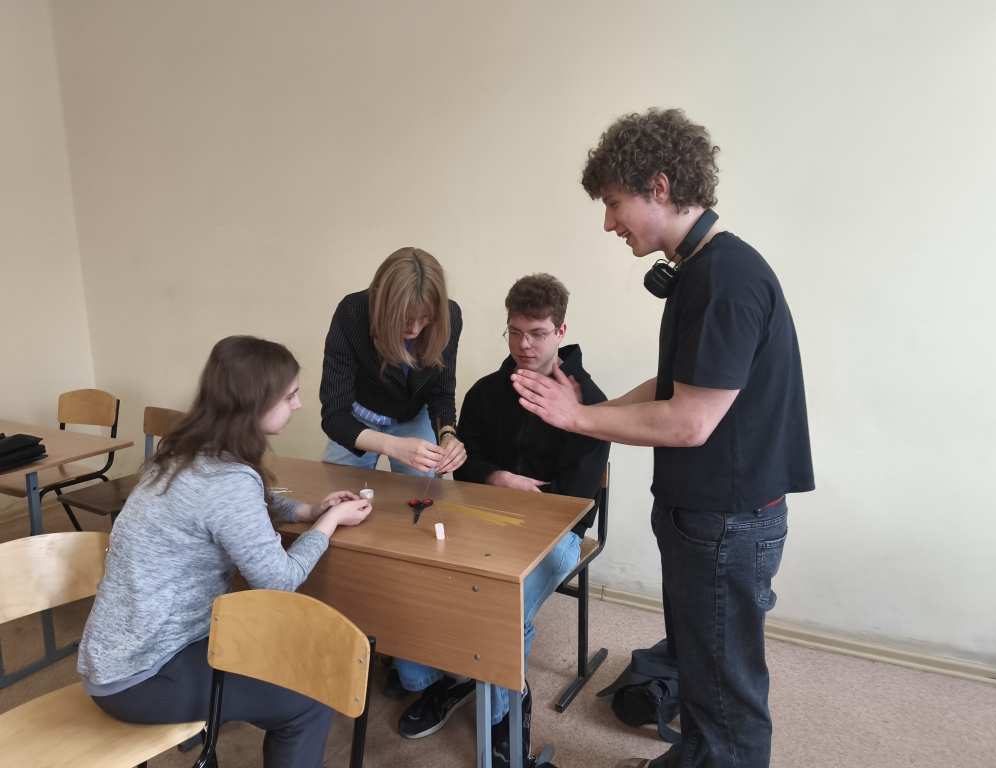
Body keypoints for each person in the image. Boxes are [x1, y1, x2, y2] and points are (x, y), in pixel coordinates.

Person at [511, 109, 814, 768]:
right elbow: (680, 381)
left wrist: (579, 419)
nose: (608, 223)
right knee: (699, 671)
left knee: (728, 694)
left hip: (726, 522)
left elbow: (688, 420)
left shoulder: (726, 281)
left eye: (613, 203)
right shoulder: (702, 270)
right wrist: (593, 407)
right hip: (704, 517)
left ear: (659, 186)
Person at [78, 336, 374, 768]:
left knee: (284, 648)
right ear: (254, 402)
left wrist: (307, 510)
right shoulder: (227, 480)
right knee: (310, 700)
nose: (298, 405)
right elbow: (280, 580)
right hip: (143, 674)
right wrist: (329, 523)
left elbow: (241, 507)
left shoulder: (181, 452)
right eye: (289, 396)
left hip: (117, 655)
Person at [395, 274, 610, 768]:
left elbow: (575, 501)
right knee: (415, 572)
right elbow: (464, 462)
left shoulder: (589, 403)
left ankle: (507, 708)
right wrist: (497, 477)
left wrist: (518, 497)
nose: (524, 345)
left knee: (499, 609)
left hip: (556, 532)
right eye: (515, 332)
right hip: (479, 514)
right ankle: (448, 680)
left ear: (561, 331)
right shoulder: (486, 391)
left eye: (537, 334)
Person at [320, 247, 467, 476]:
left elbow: (441, 393)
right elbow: (334, 414)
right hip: (358, 416)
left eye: (425, 318)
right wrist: (393, 445)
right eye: (405, 319)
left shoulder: (450, 316)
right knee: (338, 490)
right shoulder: (351, 313)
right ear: (378, 300)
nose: (415, 329)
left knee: (422, 492)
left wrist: (447, 435)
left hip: (414, 415)